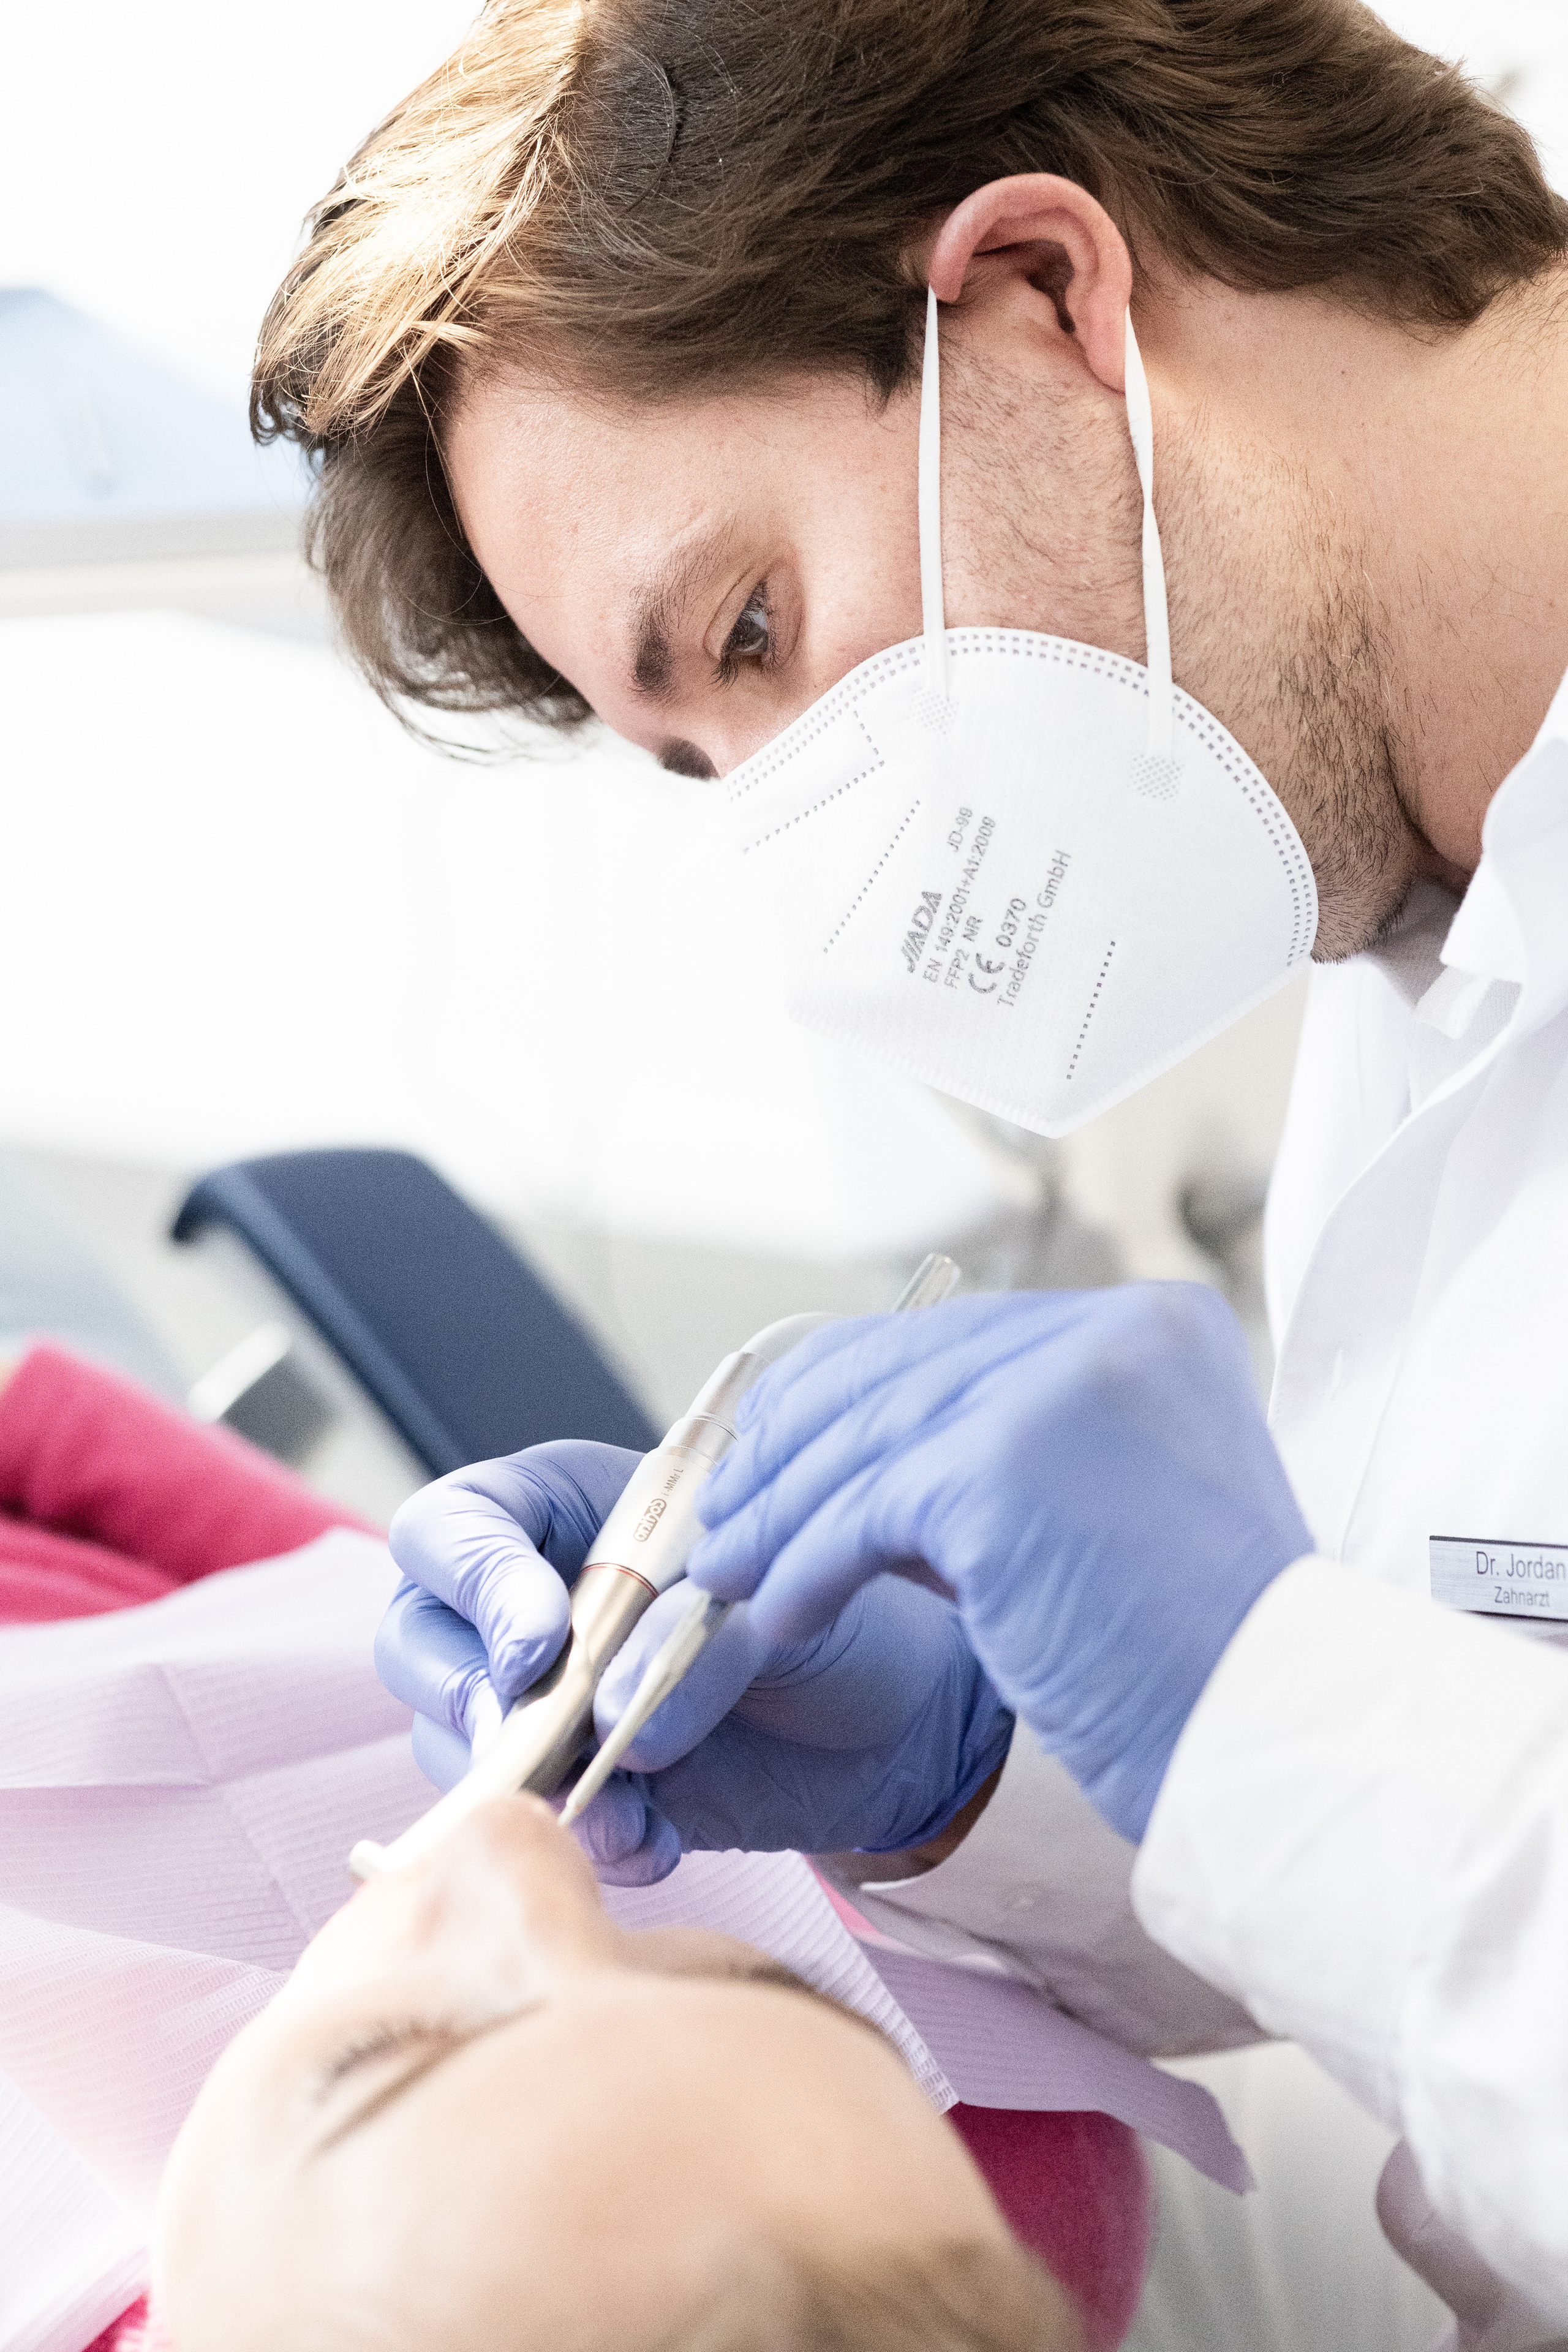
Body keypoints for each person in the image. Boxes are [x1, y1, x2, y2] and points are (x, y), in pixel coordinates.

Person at [251, 0, 1568, 2337]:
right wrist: (988, 1763)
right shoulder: (1420, 922)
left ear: (1049, 300)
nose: (816, 865)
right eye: (715, 765)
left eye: (752, 634)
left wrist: (1256, 1697)